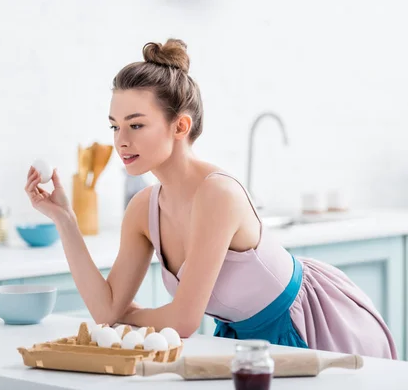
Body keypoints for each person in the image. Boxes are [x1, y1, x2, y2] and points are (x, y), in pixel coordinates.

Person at [24, 38, 397, 359]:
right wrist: (64, 220)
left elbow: (183, 320)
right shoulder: (143, 209)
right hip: (242, 344)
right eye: (115, 125)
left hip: (306, 329)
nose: (121, 140)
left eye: (136, 125)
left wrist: (131, 315)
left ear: (180, 126)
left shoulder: (218, 194)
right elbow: (106, 309)